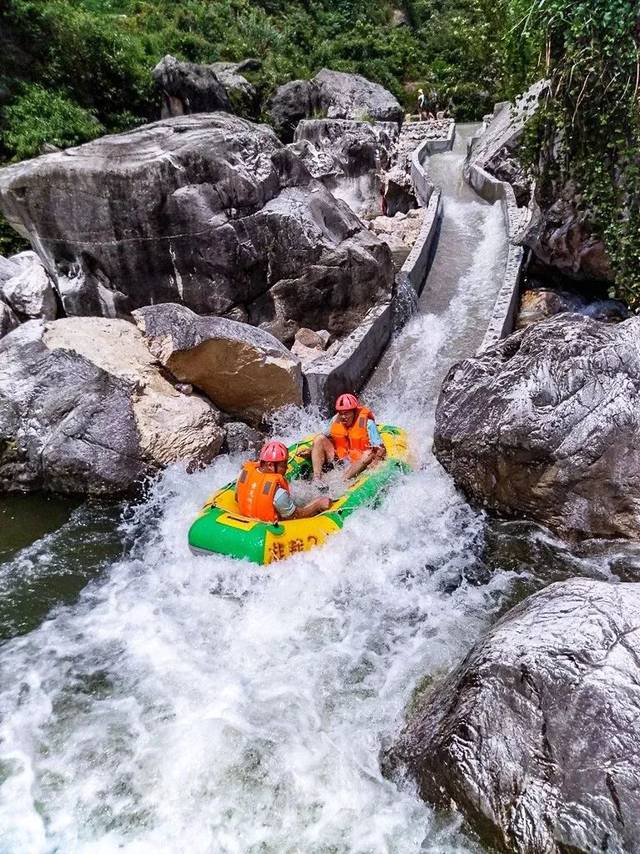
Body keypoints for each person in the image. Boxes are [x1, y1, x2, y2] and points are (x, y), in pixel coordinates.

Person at [236, 440, 330, 523]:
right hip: (267, 529)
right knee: (320, 502)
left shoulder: (243, 474)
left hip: (247, 518)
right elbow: (294, 516)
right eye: (283, 464)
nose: (287, 467)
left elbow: (237, 497)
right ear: (270, 465)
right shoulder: (278, 493)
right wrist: (317, 505)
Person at [311, 393, 386, 483]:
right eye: (341, 413)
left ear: (353, 411)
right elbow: (325, 438)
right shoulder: (336, 419)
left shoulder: (367, 423)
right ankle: (317, 478)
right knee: (319, 438)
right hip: (340, 459)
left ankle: (341, 482)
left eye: (346, 413)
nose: (343, 417)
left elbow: (380, 448)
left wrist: (376, 461)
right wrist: (313, 450)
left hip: (359, 462)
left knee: (368, 453)